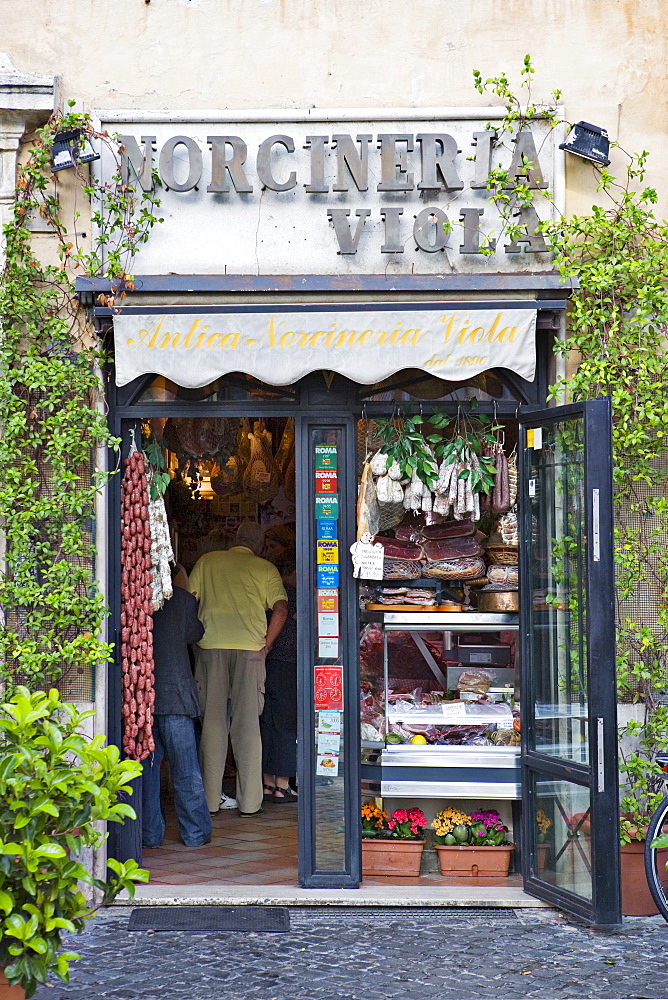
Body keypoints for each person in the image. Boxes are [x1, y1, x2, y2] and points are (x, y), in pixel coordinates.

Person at [189, 521, 288, 816]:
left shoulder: (208, 562)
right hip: (250, 652)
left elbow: (187, 601)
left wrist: (195, 641)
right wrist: (266, 646)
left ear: (234, 540)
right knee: (247, 728)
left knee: (213, 726)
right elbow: (281, 609)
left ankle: (209, 801)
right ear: (259, 546)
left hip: (210, 649)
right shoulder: (265, 568)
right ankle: (250, 803)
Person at [142, 567, 212, 849]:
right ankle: (195, 833)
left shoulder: (136, 597)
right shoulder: (183, 600)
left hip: (143, 697)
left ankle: (149, 835)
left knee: (146, 773)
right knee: (186, 770)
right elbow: (196, 634)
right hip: (176, 697)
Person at [260, 555, 298, 803]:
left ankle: (266, 782)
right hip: (288, 664)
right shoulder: (292, 595)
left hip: (267, 664)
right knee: (286, 724)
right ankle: (282, 785)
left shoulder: (267, 592)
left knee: (266, 721)